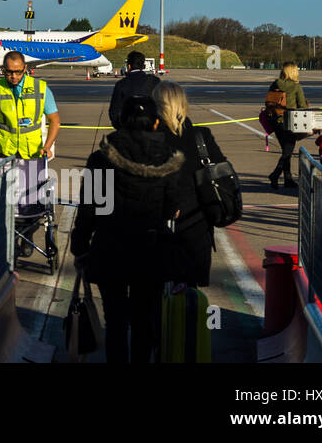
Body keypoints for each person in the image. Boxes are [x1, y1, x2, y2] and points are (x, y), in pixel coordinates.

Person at [70, 94, 185, 363]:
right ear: (156, 123)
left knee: (116, 320)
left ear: (122, 122)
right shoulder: (169, 160)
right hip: (151, 247)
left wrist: (80, 246)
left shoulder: (101, 158)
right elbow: (171, 208)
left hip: (111, 246)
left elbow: (90, 209)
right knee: (145, 319)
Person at [154, 81, 226, 288]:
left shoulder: (151, 139)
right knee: (189, 295)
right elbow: (221, 170)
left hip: (158, 224)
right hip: (196, 222)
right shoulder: (200, 137)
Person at [0, 52, 60, 160]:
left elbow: (55, 121)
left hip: (33, 153)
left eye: (18, 72)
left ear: (25, 68)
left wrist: (47, 147)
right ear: (3, 69)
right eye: (9, 72)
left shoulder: (41, 88)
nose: (14, 76)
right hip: (4, 152)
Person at [268, 62, 309, 190]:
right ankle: (275, 174)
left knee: (286, 151)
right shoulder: (296, 87)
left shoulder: (275, 84)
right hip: (290, 122)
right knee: (287, 152)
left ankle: (288, 178)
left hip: (276, 121)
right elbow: (302, 106)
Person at [109, 51, 159, 129]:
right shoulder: (154, 81)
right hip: (150, 130)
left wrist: (122, 129)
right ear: (144, 66)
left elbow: (114, 112)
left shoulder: (121, 84)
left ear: (129, 66)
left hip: (128, 130)